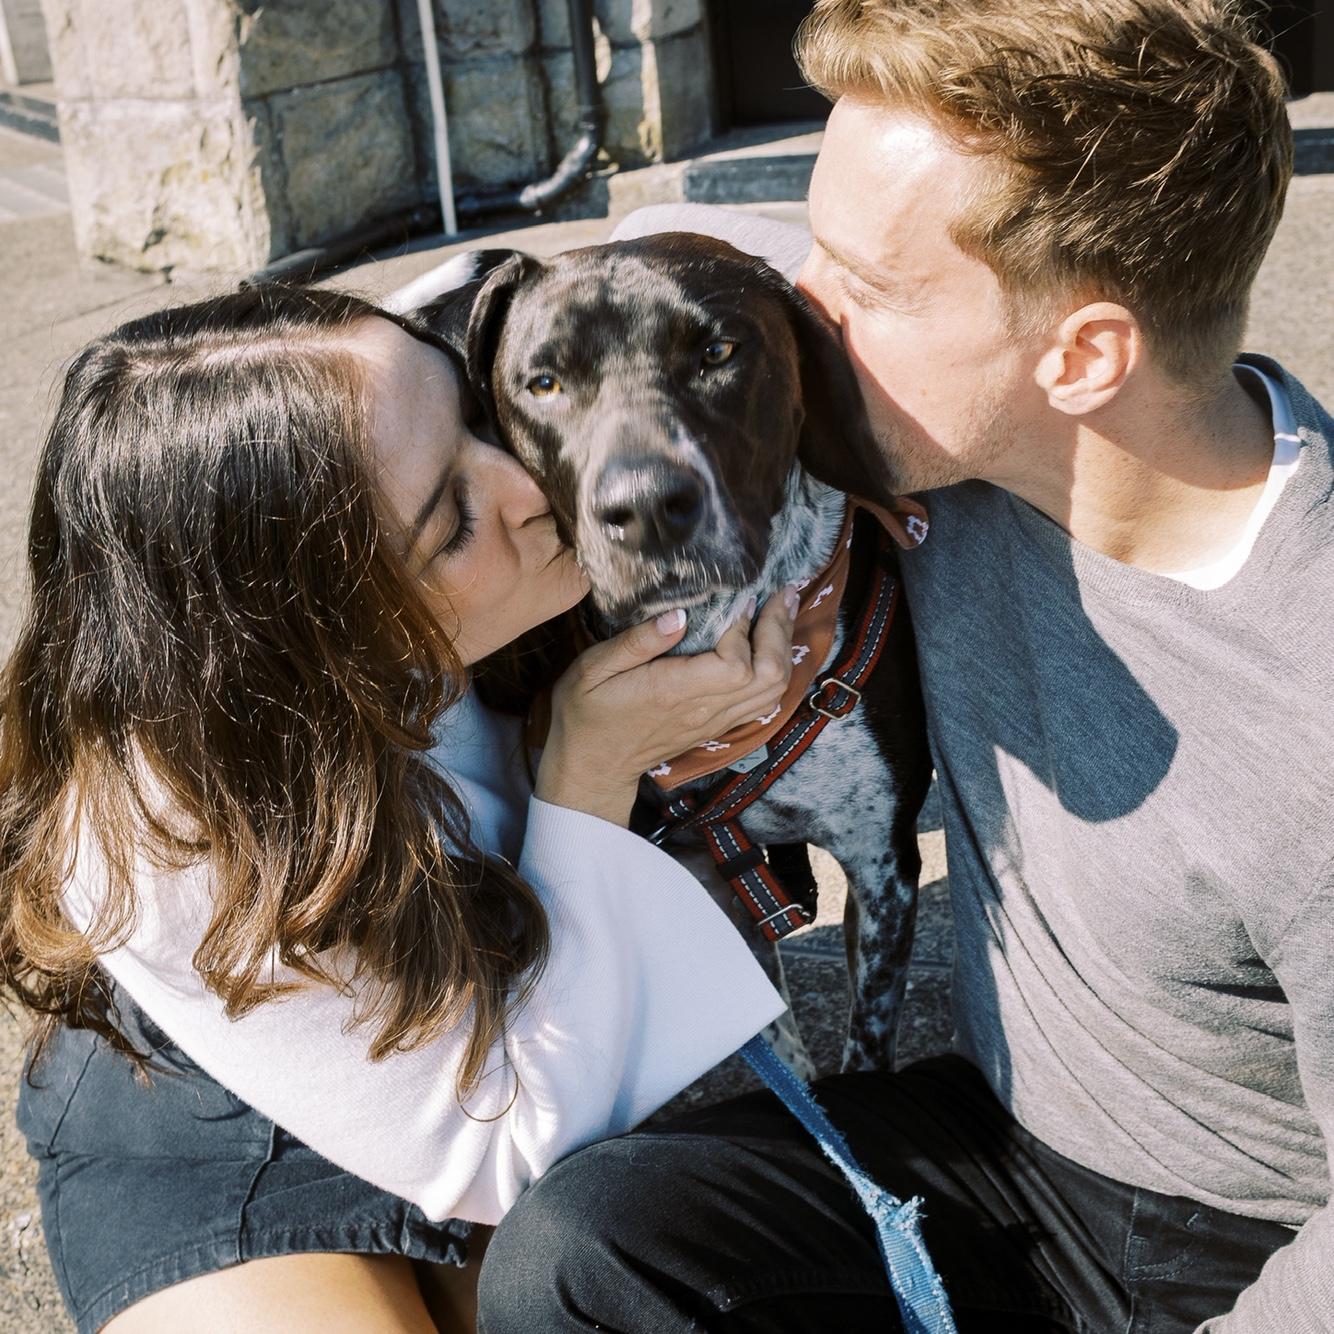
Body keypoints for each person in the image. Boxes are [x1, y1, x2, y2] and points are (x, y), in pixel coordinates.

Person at [475, 2, 1333, 1332]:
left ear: (1081, 355)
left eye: (862, 287)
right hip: (988, 1135)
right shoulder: (955, 457)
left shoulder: (1307, 704)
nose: (797, 306)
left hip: (1219, 1244)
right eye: (805, 241)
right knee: (577, 1250)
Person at [0, 283, 803, 1332]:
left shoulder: (394, 417)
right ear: (312, 635)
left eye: (479, 415)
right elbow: (502, 1154)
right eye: (453, 521)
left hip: (496, 1015)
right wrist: (591, 767)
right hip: (221, 1130)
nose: (534, 482)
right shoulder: (156, 832)